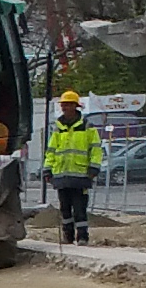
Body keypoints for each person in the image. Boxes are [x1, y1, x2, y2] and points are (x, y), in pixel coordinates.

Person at [43, 94, 105, 245]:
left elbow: (96, 149)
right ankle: (68, 236)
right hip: (61, 175)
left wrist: (94, 168)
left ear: (75, 106)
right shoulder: (58, 128)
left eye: (68, 105)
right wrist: (47, 170)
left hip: (81, 175)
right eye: (63, 105)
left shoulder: (87, 127)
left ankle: (83, 237)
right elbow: (51, 151)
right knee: (65, 209)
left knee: (79, 209)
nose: (65, 108)